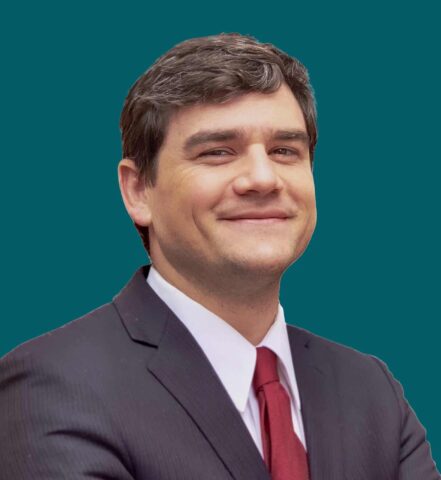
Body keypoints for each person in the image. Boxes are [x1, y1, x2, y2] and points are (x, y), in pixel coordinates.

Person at [0, 33, 439, 480]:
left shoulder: (371, 390)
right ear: (138, 191)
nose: (263, 178)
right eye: (217, 152)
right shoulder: (52, 385)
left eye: (284, 151)